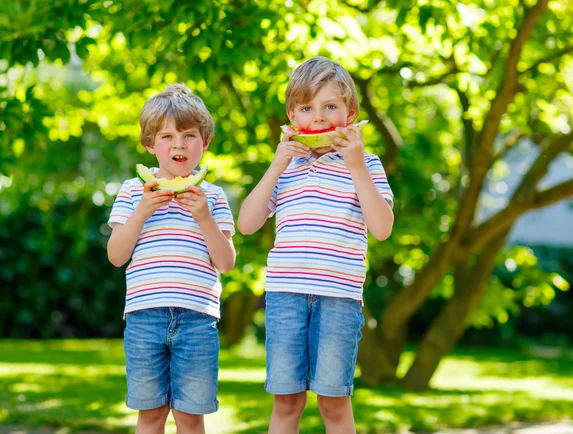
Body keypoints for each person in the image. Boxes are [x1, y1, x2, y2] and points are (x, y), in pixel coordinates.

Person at [237, 57, 394, 434]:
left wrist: (355, 165)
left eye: (330, 107)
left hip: (339, 297)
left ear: (350, 112)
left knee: (334, 403)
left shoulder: (367, 165)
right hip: (285, 296)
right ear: (292, 117)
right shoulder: (286, 167)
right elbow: (246, 223)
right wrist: (276, 164)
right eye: (307, 108)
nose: (319, 118)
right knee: (287, 401)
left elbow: (383, 228)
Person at [107, 83, 236, 434]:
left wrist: (205, 219)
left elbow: (226, 263)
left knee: (190, 418)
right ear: (150, 144)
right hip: (144, 318)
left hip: (197, 320)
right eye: (167, 136)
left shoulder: (212, 196)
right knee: (150, 415)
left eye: (189, 135)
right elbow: (117, 256)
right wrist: (140, 213)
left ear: (204, 142)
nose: (178, 143)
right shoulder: (134, 192)